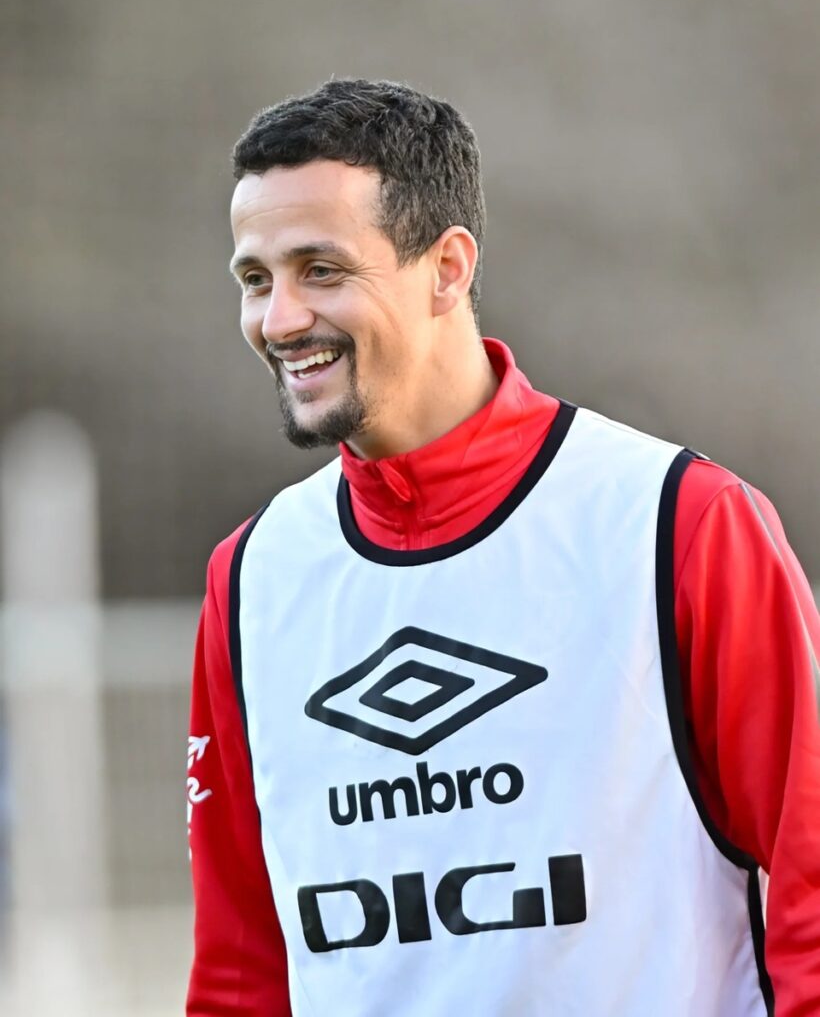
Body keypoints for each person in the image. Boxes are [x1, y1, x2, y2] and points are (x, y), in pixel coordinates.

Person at [186, 78, 820, 1016]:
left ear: (447, 268)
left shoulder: (678, 521)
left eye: (320, 269)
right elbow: (241, 970)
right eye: (255, 278)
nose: (279, 320)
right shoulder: (250, 577)